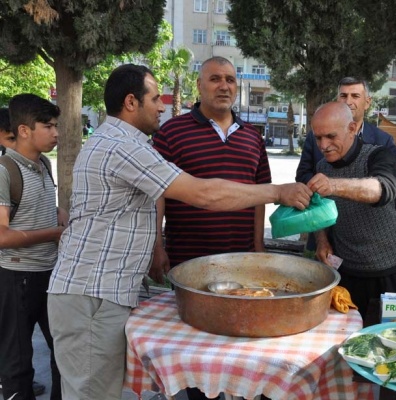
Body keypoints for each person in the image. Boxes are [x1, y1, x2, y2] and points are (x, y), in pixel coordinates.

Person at [47, 64, 312, 400]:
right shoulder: (121, 146)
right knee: (90, 394)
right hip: (91, 296)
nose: (162, 106)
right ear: (131, 102)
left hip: (100, 293)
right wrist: (277, 192)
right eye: (155, 98)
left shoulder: (124, 142)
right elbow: (204, 194)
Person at [153, 57, 272, 270]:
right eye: (215, 79)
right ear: (199, 85)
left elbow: (260, 195)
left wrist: (258, 246)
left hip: (241, 259)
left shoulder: (253, 136)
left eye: (230, 80)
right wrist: (156, 247)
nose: (224, 86)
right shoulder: (171, 133)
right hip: (187, 262)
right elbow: (157, 194)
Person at [307, 102, 396, 323]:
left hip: (392, 271)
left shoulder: (379, 155)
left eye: (330, 136)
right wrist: (321, 240)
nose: (323, 145)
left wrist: (334, 186)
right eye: (318, 138)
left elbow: (382, 189)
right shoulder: (322, 167)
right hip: (348, 273)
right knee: (349, 341)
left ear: (352, 128)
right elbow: (319, 209)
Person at [0, 94, 66, 400]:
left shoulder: (42, 164)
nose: (55, 132)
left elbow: (44, 209)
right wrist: (54, 232)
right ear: (24, 130)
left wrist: (66, 218)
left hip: (50, 275)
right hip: (16, 277)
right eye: (48, 126)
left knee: (64, 354)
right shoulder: (5, 170)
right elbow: (1, 236)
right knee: (17, 364)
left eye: (56, 125)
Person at [295, 77, 396, 184]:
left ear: (367, 102)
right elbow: (303, 175)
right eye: (343, 96)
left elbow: (389, 184)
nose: (348, 101)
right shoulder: (316, 136)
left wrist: (340, 188)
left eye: (355, 96)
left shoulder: (384, 141)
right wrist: (322, 190)